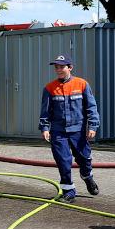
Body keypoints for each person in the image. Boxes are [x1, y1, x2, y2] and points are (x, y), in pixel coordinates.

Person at [39, 54, 100, 203]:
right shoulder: (49, 88)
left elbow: (91, 107)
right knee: (63, 161)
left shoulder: (82, 84)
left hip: (78, 131)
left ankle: (87, 177)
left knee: (84, 159)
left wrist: (92, 125)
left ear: (70, 67)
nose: (59, 70)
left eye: (62, 67)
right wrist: (45, 128)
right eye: (56, 67)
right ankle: (68, 191)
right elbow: (45, 111)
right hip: (58, 132)